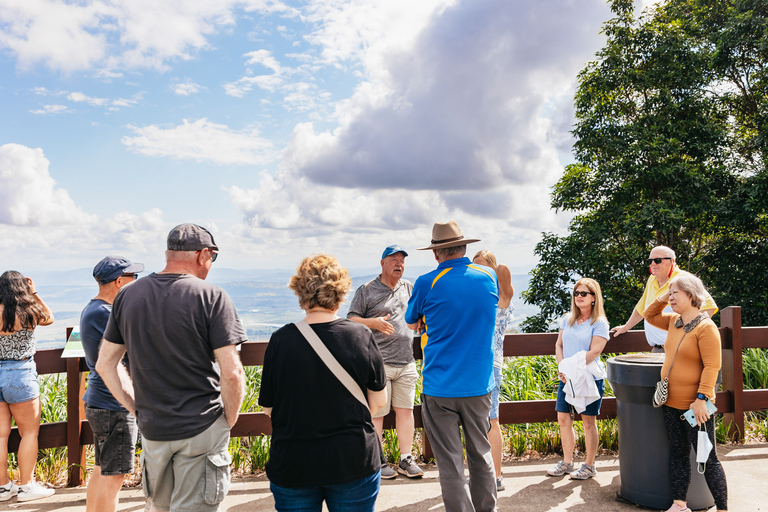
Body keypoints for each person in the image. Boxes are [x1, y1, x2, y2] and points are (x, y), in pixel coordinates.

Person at [97, 224, 247, 512]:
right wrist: (228, 418)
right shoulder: (212, 296)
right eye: (212, 258)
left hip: (153, 429)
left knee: (158, 508)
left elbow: (106, 364)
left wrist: (136, 408)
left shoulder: (128, 296)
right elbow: (232, 372)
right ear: (203, 255)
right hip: (203, 425)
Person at [259, 254, 388, 512]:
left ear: (300, 291)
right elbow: (378, 402)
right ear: (340, 291)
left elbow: (268, 408)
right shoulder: (360, 335)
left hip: (294, 462)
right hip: (352, 459)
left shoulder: (281, 339)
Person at [405, 220, 498, 512]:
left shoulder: (426, 282)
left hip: (440, 386)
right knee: (481, 455)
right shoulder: (488, 276)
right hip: (479, 384)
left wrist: (425, 320)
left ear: (436, 253)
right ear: (465, 247)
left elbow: (410, 321)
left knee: (450, 463)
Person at [645, 274, 728, 512]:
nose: (670, 298)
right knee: (679, 454)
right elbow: (649, 315)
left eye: (675, 293)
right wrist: (664, 295)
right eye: (670, 294)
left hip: (697, 408)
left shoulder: (706, 327)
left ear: (691, 295)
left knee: (707, 458)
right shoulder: (674, 321)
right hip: (671, 403)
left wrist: (702, 399)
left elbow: (713, 366)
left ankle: (722, 509)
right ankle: (679, 504)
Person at [348, 245, 423, 480]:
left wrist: (420, 321)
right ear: (382, 263)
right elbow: (350, 320)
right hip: (378, 364)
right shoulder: (367, 290)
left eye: (402, 260)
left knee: (406, 411)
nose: (399, 263)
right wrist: (374, 323)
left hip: (406, 362)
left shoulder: (409, 286)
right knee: (377, 414)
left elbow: (417, 313)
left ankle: (406, 459)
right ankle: (377, 460)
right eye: (393, 260)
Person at [81, 256, 144, 512]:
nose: (137, 283)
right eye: (133, 278)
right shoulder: (107, 314)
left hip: (100, 400)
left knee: (102, 469)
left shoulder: (93, 308)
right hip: (114, 402)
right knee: (114, 478)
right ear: (119, 281)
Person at [546, 278, 609, 480]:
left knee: (588, 421)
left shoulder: (599, 323)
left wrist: (573, 367)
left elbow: (596, 351)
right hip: (567, 378)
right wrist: (562, 367)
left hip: (589, 377)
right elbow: (559, 345)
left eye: (584, 293)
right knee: (563, 418)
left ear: (593, 298)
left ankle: (589, 465)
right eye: (576, 293)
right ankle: (566, 462)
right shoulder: (568, 319)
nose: (579, 297)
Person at [0, 271, 55, 502]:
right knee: (29, 432)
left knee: (1, 436)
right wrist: (34, 292)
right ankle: (26, 487)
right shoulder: (29, 311)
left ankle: (3, 488)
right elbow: (49, 318)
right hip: (20, 373)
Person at [612, 246, 717, 351]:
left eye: (658, 260)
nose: (653, 264)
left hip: (678, 350)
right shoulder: (652, 279)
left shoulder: (684, 279)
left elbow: (709, 307)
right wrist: (625, 327)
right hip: (657, 349)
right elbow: (641, 309)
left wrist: (689, 335)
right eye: (650, 261)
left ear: (672, 261)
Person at [471, 249, 514, 492]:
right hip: (471, 365)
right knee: (473, 423)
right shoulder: (474, 298)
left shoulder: (500, 296)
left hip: (491, 365)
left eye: (484, 267)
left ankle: (496, 476)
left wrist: (484, 269)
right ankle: (481, 475)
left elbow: (504, 271)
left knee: (492, 420)